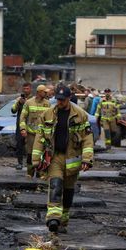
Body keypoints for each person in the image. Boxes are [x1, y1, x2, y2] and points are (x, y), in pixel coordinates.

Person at [32, 86, 94, 233]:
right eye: (58, 100)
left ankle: (64, 218)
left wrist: (87, 159)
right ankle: (53, 218)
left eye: (62, 100)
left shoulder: (80, 115)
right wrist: (36, 159)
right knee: (55, 184)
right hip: (55, 157)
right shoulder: (48, 115)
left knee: (68, 190)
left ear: (68, 99)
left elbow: (87, 138)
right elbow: (39, 137)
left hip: (72, 157)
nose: (59, 103)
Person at [20, 84, 50, 177]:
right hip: (31, 135)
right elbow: (23, 117)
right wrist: (23, 129)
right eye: (44, 92)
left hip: (42, 135)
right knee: (30, 154)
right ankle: (30, 173)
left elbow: (50, 119)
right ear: (39, 92)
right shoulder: (29, 102)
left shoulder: (47, 103)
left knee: (42, 154)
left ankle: (40, 174)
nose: (46, 93)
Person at [11, 82, 33, 170]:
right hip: (20, 126)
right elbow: (13, 110)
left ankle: (30, 163)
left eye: (27, 88)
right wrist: (19, 103)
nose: (25, 90)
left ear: (30, 89)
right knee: (19, 144)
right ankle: (20, 163)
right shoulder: (18, 99)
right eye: (24, 89)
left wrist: (27, 103)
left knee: (30, 146)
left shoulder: (34, 100)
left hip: (31, 126)